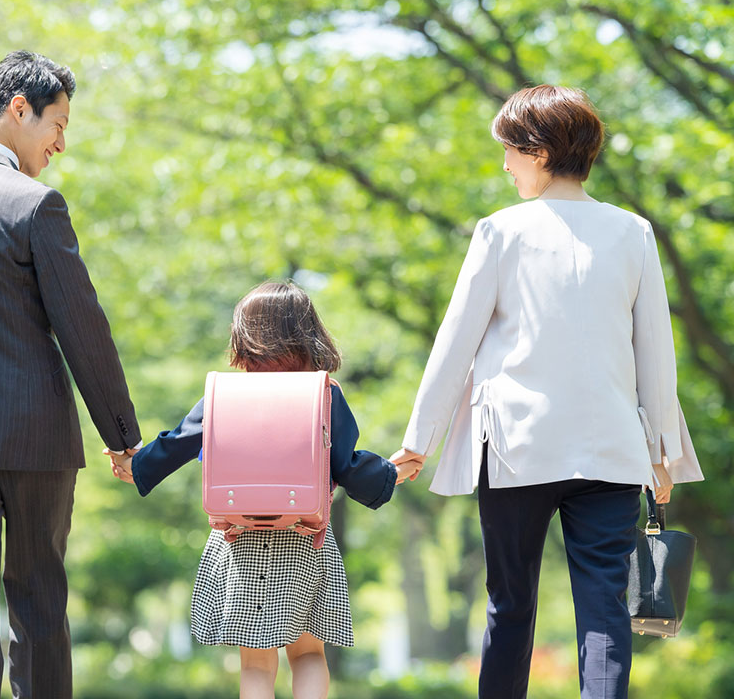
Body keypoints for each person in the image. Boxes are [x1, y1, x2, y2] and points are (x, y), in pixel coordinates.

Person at [390, 85, 704, 699]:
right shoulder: (633, 232)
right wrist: (662, 452)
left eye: (508, 150)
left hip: (514, 450)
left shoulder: (500, 232)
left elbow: (454, 345)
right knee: (605, 608)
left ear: (536, 151)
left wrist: (417, 442)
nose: (504, 165)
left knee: (510, 606)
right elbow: (655, 357)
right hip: (612, 452)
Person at [0, 51, 142, 698]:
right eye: (58, 124)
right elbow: (83, 329)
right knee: (39, 598)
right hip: (35, 438)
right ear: (20, 109)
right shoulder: (34, 204)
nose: (62, 144)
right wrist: (122, 433)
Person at [108, 281, 414, 699]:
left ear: (243, 336)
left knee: (255, 663)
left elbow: (179, 441)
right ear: (310, 332)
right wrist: (390, 474)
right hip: (305, 538)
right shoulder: (323, 393)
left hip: (239, 539)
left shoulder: (226, 393)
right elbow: (347, 463)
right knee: (307, 655)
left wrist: (136, 466)